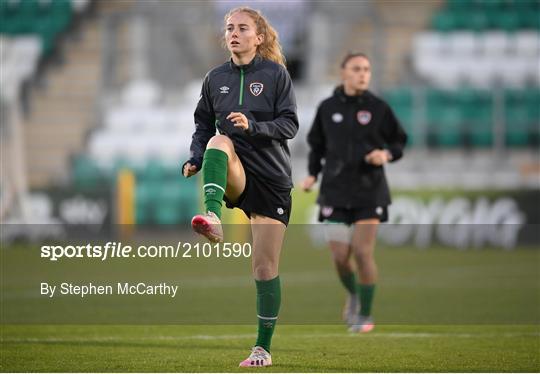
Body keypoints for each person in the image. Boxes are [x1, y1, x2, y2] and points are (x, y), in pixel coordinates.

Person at [182, 6, 298, 367]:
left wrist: (253, 126)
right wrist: (195, 157)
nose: (233, 33)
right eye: (229, 27)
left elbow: (290, 125)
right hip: (236, 171)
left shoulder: (276, 75)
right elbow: (203, 124)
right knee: (219, 142)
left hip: (272, 179)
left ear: (258, 37)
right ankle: (212, 216)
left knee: (264, 268)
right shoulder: (215, 78)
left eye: (242, 28)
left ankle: (262, 348)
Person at [302, 52, 407, 333]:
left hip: (369, 192)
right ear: (343, 72)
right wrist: (312, 174)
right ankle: (353, 294)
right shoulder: (327, 108)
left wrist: (385, 154)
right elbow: (317, 146)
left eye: (367, 69)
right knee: (339, 257)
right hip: (334, 192)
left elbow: (399, 142)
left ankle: (366, 315)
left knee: (362, 252)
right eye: (357, 69)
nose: (363, 74)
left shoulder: (378, 108)